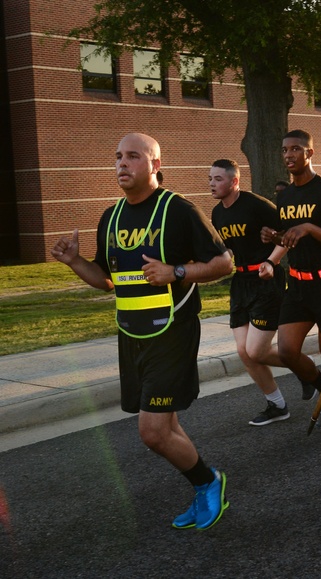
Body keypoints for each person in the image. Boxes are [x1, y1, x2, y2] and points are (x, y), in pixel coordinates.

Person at [51, 133, 233, 530]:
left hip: (172, 331)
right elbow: (106, 280)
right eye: (117, 156)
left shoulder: (178, 210)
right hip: (131, 334)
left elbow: (224, 263)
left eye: (133, 156)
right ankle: (204, 486)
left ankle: (208, 482)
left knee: (151, 433)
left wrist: (177, 272)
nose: (122, 164)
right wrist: (74, 261)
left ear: (155, 165)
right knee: (164, 426)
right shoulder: (111, 216)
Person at [259, 130, 321, 436]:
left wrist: (310, 228)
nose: (289, 155)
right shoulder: (285, 195)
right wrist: (275, 238)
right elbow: (291, 236)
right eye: (285, 150)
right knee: (287, 351)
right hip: (298, 285)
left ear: (310, 153)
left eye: (296, 149)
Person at [209, 159, 289, 426]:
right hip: (241, 281)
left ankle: (305, 369)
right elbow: (230, 248)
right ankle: (277, 404)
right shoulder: (217, 214)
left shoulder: (258, 205)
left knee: (255, 350)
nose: (212, 184)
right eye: (210, 179)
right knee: (244, 353)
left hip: (267, 280)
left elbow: (286, 236)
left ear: (234, 181)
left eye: (218, 179)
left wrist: (272, 261)